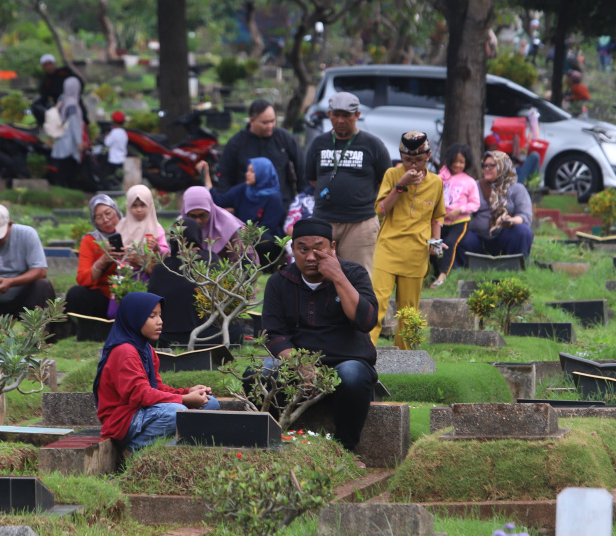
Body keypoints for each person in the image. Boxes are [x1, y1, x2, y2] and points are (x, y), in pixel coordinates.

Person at [260, 218, 378, 454]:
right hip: (296, 361)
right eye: (303, 249)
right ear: (292, 250)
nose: (311, 257)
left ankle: (345, 449)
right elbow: (274, 334)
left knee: (352, 376)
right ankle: (272, 443)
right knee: (259, 373)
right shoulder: (279, 282)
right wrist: (299, 364)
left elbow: (366, 322)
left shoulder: (353, 273)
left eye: (318, 248)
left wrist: (338, 277)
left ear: (332, 247)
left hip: (347, 360)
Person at [93, 292, 220, 453]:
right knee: (175, 412)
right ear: (135, 317)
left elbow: (157, 389)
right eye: (152, 316)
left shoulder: (146, 349)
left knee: (211, 403)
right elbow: (142, 396)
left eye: (160, 315)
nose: (160, 322)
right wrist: (184, 399)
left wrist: (189, 392)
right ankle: (137, 446)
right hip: (125, 420)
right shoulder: (124, 351)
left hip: (146, 413)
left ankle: (175, 442)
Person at [370, 131, 446, 347]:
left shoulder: (436, 182)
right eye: (407, 160)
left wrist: (436, 242)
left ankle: (404, 358)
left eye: (419, 160)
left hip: (416, 253)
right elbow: (381, 209)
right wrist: (401, 184)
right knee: (377, 303)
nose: (413, 165)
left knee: (409, 311)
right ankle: (364, 354)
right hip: (387, 249)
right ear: (400, 157)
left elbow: (437, 217)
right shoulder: (393, 175)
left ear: (429, 156)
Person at [305, 92, 391, 276]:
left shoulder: (373, 145)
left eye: (346, 115)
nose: (341, 120)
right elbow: (313, 179)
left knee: (358, 277)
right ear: (329, 115)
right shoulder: (319, 143)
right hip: (323, 221)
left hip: (360, 223)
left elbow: (385, 181)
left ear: (357, 115)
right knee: (318, 274)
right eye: (336, 115)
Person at [148, 218, 239, 346]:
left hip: (164, 336)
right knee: (235, 329)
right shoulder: (210, 259)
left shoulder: (161, 267)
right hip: (202, 334)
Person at [217, 99, 306, 209]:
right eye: (265, 122)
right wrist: (227, 205)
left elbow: (302, 169)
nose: (270, 126)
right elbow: (224, 175)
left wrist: (305, 200)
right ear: (252, 120)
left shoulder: (284, 139)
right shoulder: (237, 143)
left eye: (273, 121)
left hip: (282, 205)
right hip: (247, 207)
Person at [199, 156, 285, 267]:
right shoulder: (242, 189)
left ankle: (258, 267)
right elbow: (219, 202)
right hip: (240, 233)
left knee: (264, 240)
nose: (247, 174)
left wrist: (250, 231)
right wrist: (207, 177)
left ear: (263, 173)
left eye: (252, 171)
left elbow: (269, 227)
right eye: (247, 170)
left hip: (261, 238)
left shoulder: (274, 197)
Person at [457, 151, 534, 266]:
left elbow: (525, 215)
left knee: (523, 232)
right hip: (479, 238)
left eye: (492, 165)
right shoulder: (475, 187)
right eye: (485, 165)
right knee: (459, 233)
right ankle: (465, 270)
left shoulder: (517, 189)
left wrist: (511, 221)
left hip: (505, 238)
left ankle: (514, 267)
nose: (487, 168)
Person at [65, 195, 126, 320]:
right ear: (94, 221)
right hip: (104, 295)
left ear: (117, 211)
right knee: (76, 293)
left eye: (108, 213)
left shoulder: (134, 231)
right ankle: (84, 334)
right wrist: (102, 262)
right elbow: (82, 279)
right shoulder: (90, 240)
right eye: (99, 217)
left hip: (131, 291)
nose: (105, 220)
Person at [431, 143, 480, 288]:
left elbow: (475, 204)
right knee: (434, 243)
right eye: (455, 161)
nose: (458, 165)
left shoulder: (469, 182)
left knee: (450, 243)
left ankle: (443, 275)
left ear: (467, 163)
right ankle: (433, 273)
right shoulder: (440, 178)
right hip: (439, 221)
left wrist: (459, 210)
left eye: (461, 162)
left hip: (459, 222)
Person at [179, 186, 255, 264]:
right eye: (193, 216)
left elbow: (238, 260)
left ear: (210, 211)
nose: (198, 221)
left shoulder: (229, 226)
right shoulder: (181, 225)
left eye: (202, 215)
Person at [116, 185, 170, 276]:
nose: (139, 210)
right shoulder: (122, 227)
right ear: (128, 206)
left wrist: (157, 248)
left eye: (143, 205)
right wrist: (126, 256)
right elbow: (116, 254)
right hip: (126, 275)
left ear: (150, 205)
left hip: (150, 275)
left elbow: (167, 254)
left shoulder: (156, 228)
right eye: (134, 205)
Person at [50, 77, 85, 189]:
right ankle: (67, 189)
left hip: (63, 139)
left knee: (64, 167)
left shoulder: (63, 100)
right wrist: (79, 141)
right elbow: (74, 123)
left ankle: (62, 189)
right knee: (68, 168)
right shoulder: (72, 104)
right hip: (70, 141)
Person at [32, 54, 87, 126]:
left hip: (75, 101)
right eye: (46, 65)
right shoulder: (45, 82)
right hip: (61, 107)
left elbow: (78, 82)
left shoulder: (65, 72)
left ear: (54, 63)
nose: (49, 67)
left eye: (50, 63)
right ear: (43, 67)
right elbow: (44, 98)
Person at [104, 111, 128, 186]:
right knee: (120, 178)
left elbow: (107, 143)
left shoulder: (114, 132)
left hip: (113, 159)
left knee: (113, 179)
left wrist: (107, 135)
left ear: (114, 122)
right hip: (122, 159)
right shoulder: (124, 133)